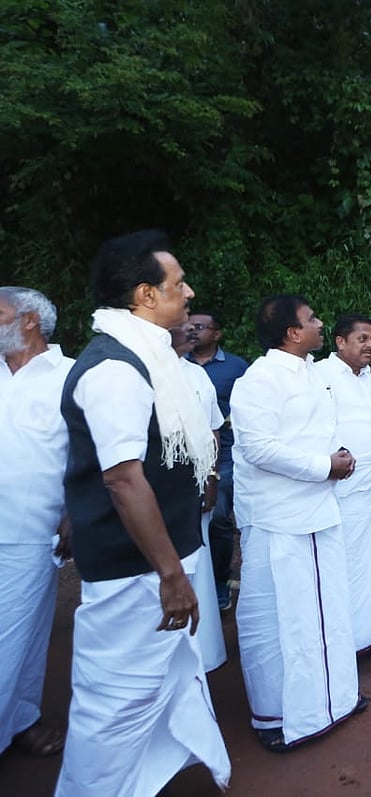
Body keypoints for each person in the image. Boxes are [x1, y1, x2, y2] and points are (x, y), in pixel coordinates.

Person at [55, 230, 231, 795]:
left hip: (152, 565)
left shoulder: (150, 361)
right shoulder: (114, 369)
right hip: (134, 572)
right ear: (145, 296)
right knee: (114, 702)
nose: (189, 291)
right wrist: (172, 575)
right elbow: (122, 478)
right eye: (178, 284)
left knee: (157, 685)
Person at [230, 294, 367, 753]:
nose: (321, 323)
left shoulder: (313, 374)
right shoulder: (259, 379)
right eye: (313, 319)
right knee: (274, 618)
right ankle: (275, 716)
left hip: (319, 509)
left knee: (325, 609)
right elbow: (259, 449)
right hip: (277, 517)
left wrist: (339, 456)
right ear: (292, 332)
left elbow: (317, 433)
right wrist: (325, 465)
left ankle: (333, 699)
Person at [0, 286, 72, 759]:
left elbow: (89, 451)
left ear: (29, 321)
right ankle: (21, 719)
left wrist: (75, 513)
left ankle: (17, 719)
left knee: (17, 635)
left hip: (31, 528)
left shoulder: (70, 376)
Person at [316, 314, 371, 661]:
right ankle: (342, 642)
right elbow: (316, 426)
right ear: (340, 342)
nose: (370, 346)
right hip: (340, 489)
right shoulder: (321, 376)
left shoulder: (367, 378)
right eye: (362, 339)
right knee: (343, 563)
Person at [170, 317, 227, 672]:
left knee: (200, 565)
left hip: (197, 485)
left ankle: (205, 651)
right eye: (183, 325)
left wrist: (211, 477)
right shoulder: (147, 371)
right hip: (162, 494)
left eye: (196, 327)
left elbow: (214, 430)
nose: (191, 330)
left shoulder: (197, 375)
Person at [185, 309, 248, 611]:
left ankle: (219, 584)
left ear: (217, 334)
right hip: (181, 453)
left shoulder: (236, 367)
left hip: (223, 454)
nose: (194, 330)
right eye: (190, 326)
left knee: (219, 518)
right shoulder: (174, 365)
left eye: (201, 326)